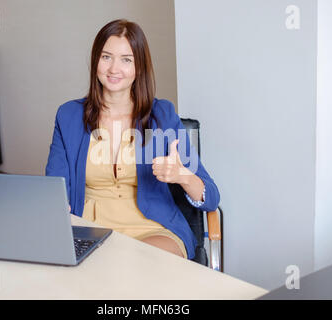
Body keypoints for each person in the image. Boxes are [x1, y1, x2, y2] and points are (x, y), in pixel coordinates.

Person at [46, 19, 220, 259]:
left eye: (126, 60)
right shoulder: (69, 116)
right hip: (91, 230)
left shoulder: (162, 116)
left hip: (153, 229)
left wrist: (182, 175)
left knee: (139, 264)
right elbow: (54, 189)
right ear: (95, 60)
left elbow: (211, 198)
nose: (113, 69)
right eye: (106, 57)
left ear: (139, 67)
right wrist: (56, 209)